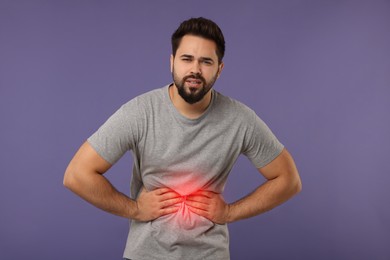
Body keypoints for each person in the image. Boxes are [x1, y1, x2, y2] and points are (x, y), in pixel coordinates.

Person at [64, 17, 302, 260]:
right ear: (172, 62)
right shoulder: (140, 112)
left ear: (219, 69)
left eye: (206, 61)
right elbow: (76, 175)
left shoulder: (240, 119)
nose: (195, 70)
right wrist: (134, 209)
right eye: (186, 59)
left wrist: (230, 212)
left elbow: (289, 180)